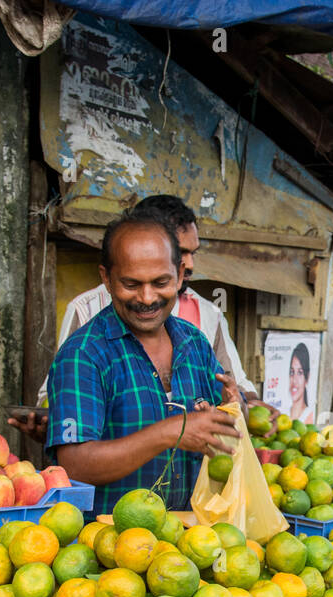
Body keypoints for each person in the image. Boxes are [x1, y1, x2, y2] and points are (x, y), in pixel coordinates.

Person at [13, 195, 267, 442]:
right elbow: (58, 404)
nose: (189, 263)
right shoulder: (87, 321)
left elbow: (233, 389)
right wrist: (58, 427)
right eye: (181, 251)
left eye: (193, 253)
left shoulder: (202, 325)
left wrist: (242, 407)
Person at [44, 209, 241, 515]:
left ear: (178, 275)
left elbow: (219, 430)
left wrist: (232, 410)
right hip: (112, 551)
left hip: (189, 546)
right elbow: (75, 464)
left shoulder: (195, 344)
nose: (147, 298)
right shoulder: (83, 355)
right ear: (106, 279)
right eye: (131, 284)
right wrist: (169, 432)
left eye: (160, 282)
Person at [288, 343, 314, 424]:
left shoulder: (309, 416)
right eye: (292, 372)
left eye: (300, 372)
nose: (294, 381)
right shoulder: (283, 413)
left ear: (307, 377)